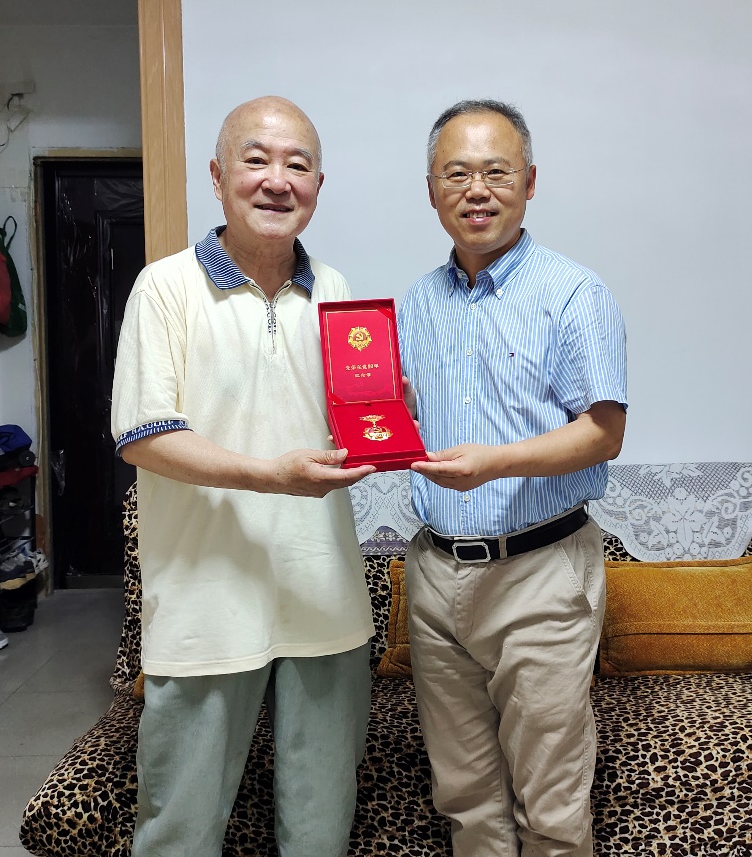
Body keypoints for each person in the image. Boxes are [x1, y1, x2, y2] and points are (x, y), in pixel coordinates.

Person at [112, 96, 376, 857]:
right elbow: (143, 437)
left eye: (297, 165)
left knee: (321, 828)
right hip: (205, 604)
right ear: (217, 174)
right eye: (256, 160)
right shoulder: (165, 288)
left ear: (318, 184)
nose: (276, 180)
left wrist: (391, 413)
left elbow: (354, 416)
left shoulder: (338, 291)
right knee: (180, 830)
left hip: (322, 594)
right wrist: (270, 475)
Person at [398, 99, 628, 857]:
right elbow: (397, 415)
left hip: (540, 574)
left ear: (529, 182)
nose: (476, 190)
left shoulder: (573, 293)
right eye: (456, 173)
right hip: (434, 575)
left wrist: (493, 463)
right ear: (431, 189)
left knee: (551, 808)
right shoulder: (413, 305)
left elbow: (603, 433)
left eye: (496, 172)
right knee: (465, 799)